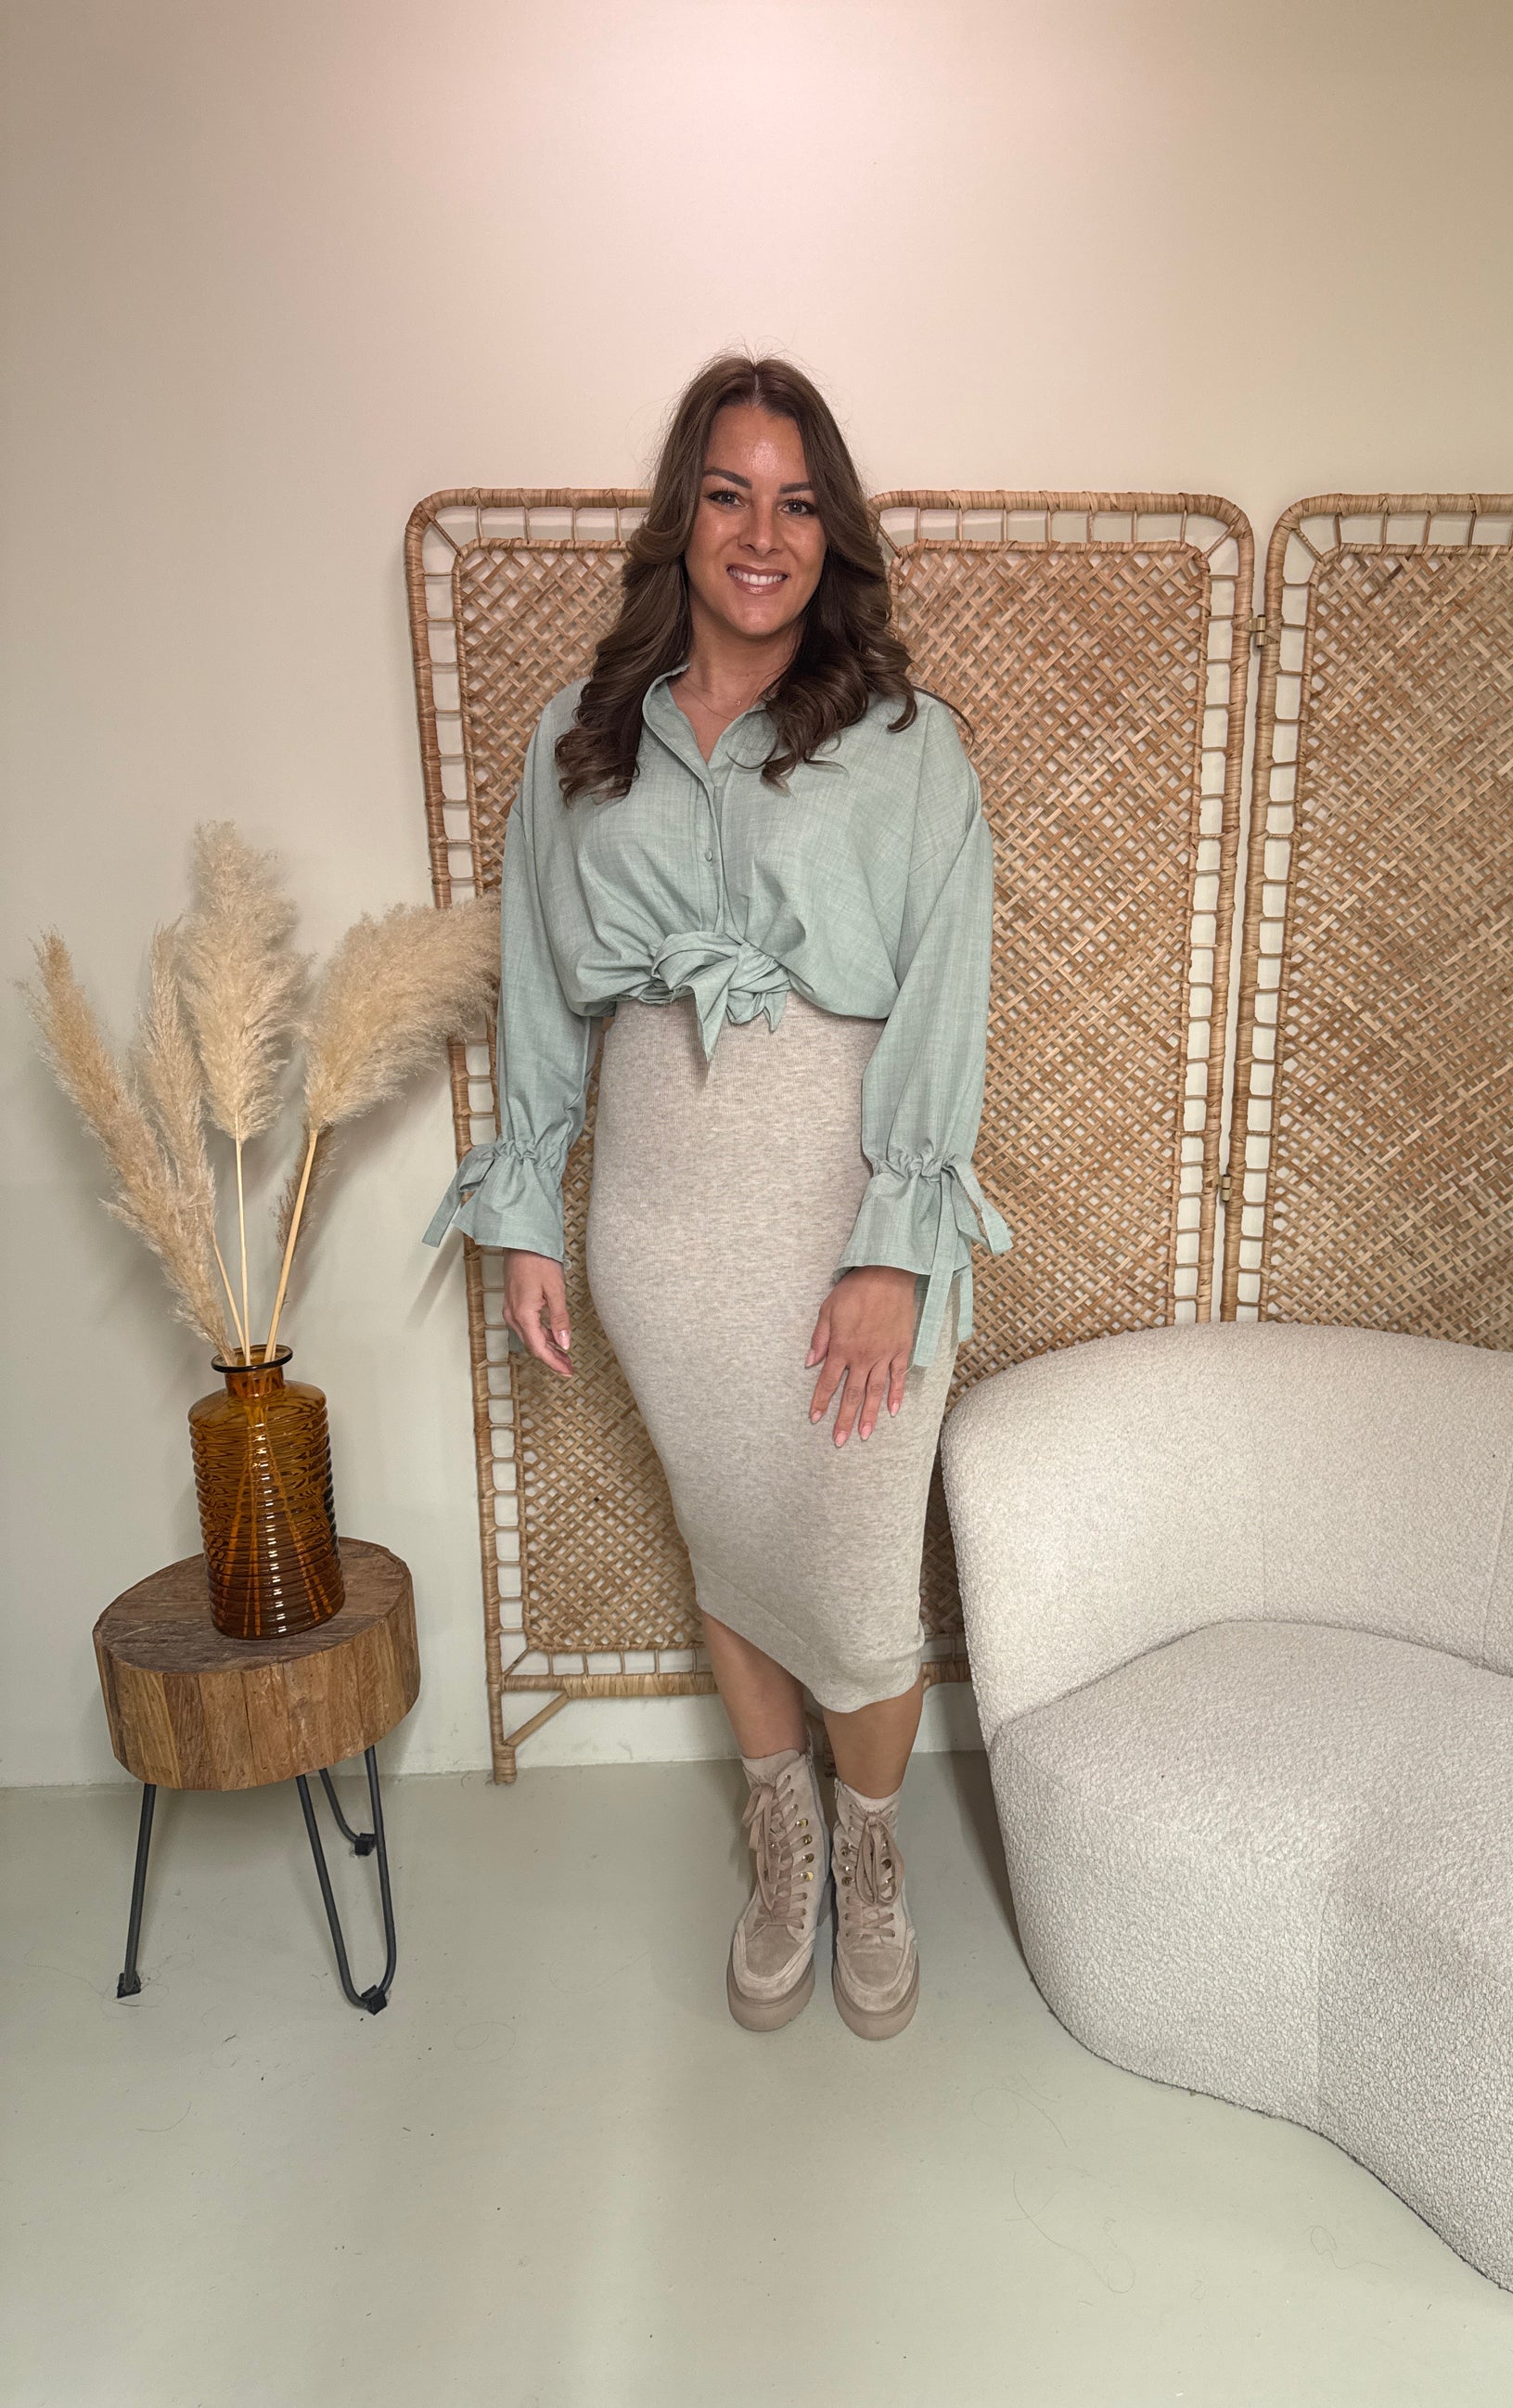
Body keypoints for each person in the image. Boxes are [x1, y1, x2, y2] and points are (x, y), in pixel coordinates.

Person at [426, 351, 1011, 2040]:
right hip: (661, 1222)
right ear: (680, 516)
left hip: (842, 1203)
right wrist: (525, 1213)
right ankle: (782, 1837)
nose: (763, 535)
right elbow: (542, 990)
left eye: (799, 502)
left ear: (835, 533)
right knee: (733, 1538)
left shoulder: (907, 745)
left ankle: (871, 1847)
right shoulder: (579, 737)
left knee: (854, 1571)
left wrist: (892, 1249)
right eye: (730, 494)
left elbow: (947, 995)